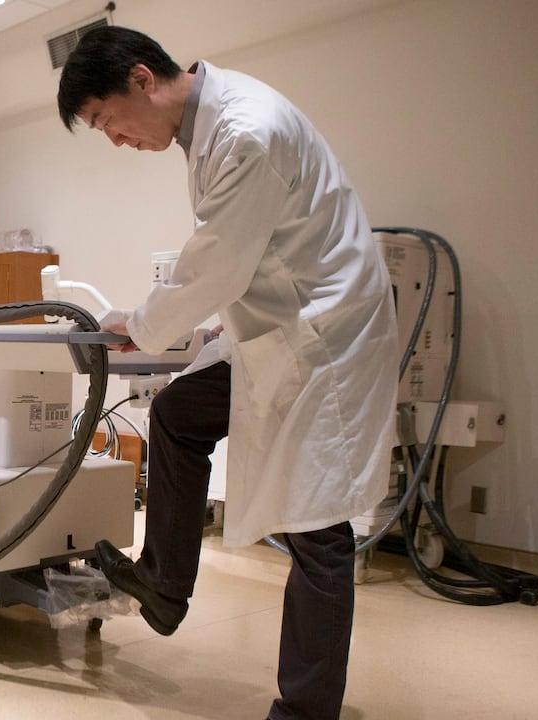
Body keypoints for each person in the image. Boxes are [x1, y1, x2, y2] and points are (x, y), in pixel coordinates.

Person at [57, 27, 400, 720]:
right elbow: (244, 251)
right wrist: (180, 322)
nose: (115, 140)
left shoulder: (244, 129)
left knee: (317, 526)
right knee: (177, 414)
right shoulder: (207, 127)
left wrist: (145, 323)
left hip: (325, 340)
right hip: (280, 329)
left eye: (105, 121)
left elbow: (219, 258)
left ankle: (306, 710)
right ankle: (164, 582)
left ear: (142, 81)